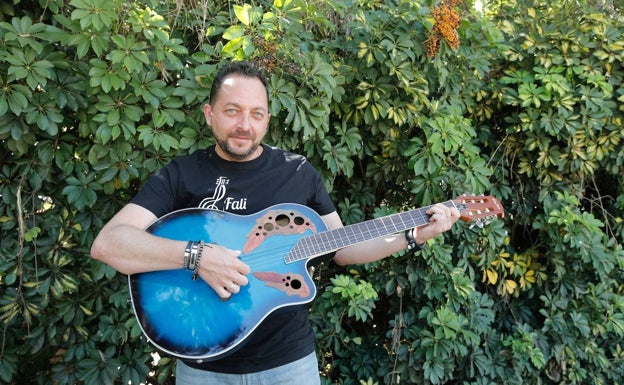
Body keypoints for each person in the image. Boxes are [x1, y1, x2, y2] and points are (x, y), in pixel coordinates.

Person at [90, 61, 460, 385]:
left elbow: (342, 249)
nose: (244, 125)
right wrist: (197, 255)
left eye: (256, 113)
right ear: (209, 114)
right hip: (204, 367)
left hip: (289, 364)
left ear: (268, 118)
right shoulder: (182, 174)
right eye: (232, 111)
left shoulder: (297, 173)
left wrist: (413, 235)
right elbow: (110, 243)